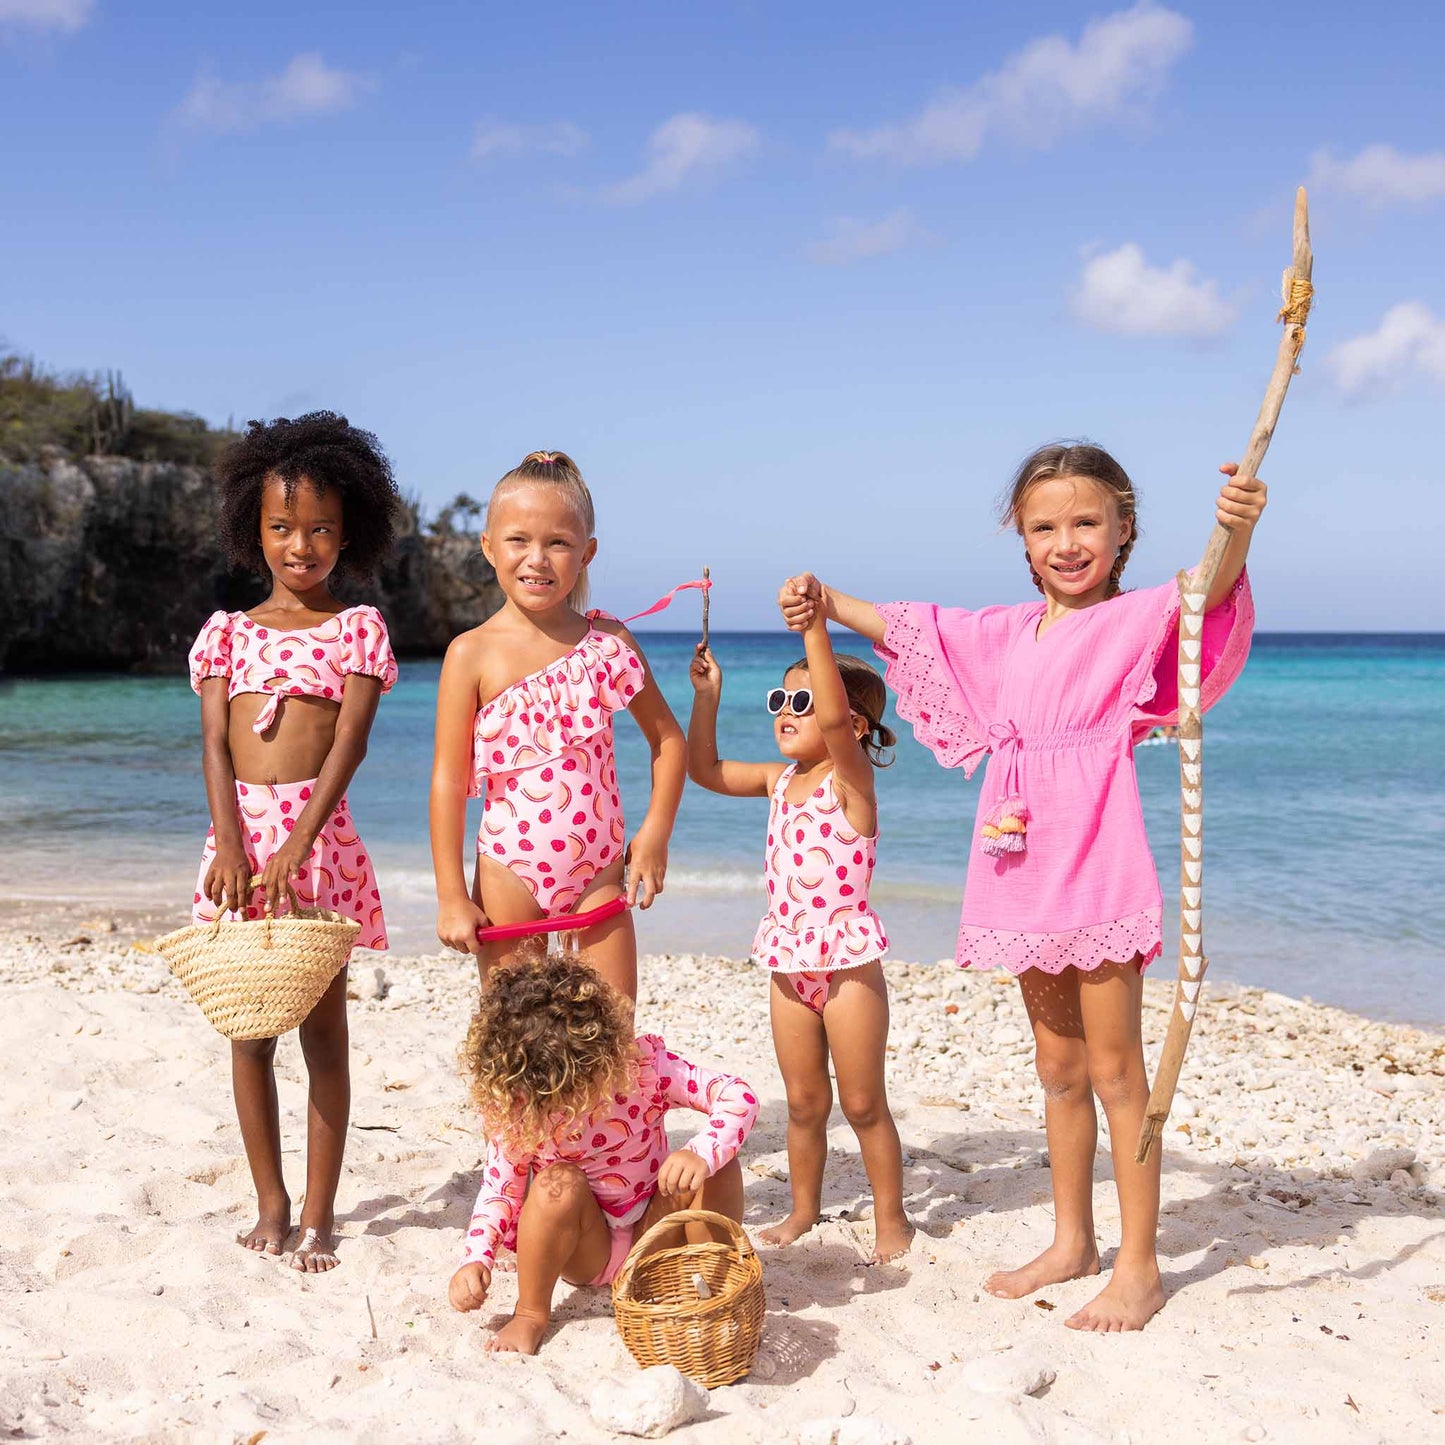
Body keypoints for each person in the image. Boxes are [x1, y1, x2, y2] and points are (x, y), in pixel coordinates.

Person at [780, 442, 1261, 1330]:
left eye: (1086, 523)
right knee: (1058, 1066)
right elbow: (910, 627)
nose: (1066, 542)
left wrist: (1235, 525)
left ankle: (1141, 1264)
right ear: (1021, 537)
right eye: (1045, 526)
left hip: (1096, 856)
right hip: (1015, 859)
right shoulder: (1006, 633)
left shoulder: (1133, 616)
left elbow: (1208, 590)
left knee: (1119, 1070)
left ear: (1122, 532)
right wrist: (823, 599)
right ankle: (1072, 1238)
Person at [189, 411, 401, 1271]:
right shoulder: (226, 633)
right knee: (248, 1029)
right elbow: (212, 745)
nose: (300, 545)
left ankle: (319, 1213)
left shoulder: (358, 629)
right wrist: (235, 848)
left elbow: (347, 743)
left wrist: (294, 845)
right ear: (255, 529)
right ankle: (268, 1202)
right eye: (281, 527)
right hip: (238, 841)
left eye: (318, 528)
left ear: (347, 530)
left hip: (317, 844)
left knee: (323, 1034)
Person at [686, 610, 912, 1263]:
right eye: (779, 698)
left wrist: (814, 626)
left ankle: (891, 1218)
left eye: (802, 700)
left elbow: (837, 726)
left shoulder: (851, 782)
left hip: (846, 965)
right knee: (805, 1101)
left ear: (852, 724)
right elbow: (705, 768)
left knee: (864, 1101)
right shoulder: (777, 779)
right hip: (789, 960)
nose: (784, 710)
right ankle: (803, 1208)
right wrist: (708, 698)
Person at [429, 451, 686, 998]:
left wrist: (655, 834)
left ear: (587, 552)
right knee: (515, 1041)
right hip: (507, 869)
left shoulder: (609, 644)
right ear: (488, 546)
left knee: (610, 1038)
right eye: (519, 540)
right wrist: (452, 894)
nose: (537, 559)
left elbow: (667, 740)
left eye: (559, 543)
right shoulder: (469, 654)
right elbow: (449, 782)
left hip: (599, 870)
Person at [448, 954, 758, 1354]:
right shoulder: (519, 1105)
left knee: (718, 1165)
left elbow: (738, 1095)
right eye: (551, 1097)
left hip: (656, 1229)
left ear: (605, 1051)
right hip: (585, 1250)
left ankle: (707, 1283)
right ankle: (529, 1313)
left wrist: (701, 1152)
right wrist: (477, 1257)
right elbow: (499, 1189)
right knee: (555, 1185)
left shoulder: (644, 1068)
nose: (564, 1104)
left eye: (577, 1086)